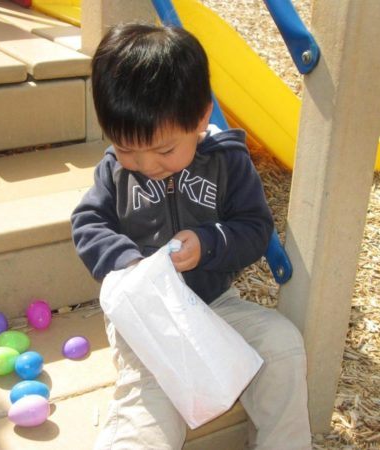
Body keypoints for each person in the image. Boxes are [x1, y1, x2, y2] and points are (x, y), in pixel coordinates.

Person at [71, 23, 311, 450]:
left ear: (201, 117)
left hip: (215, 303)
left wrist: (210, 243)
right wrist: (127, 261)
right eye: (127, 149)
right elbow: (88, 222)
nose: (145, 164)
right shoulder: (114, 171)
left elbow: (255, 229)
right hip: (148, 318)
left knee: (281, 344)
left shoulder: (227, 162)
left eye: (163, 151)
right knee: (150, 399)